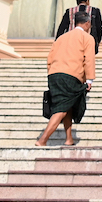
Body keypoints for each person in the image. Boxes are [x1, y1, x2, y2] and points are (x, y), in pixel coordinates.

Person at [36, 10, 94, 147]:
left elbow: (50, 58)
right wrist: (89, 79)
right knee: (61, 108)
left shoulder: (61, 37)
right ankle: (43, 139)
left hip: (54, 74)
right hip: (71, 75)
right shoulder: (87, 38)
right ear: (87, 23)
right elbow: (89, 59)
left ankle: (69, 139)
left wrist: (51, 72)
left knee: (67, 105)